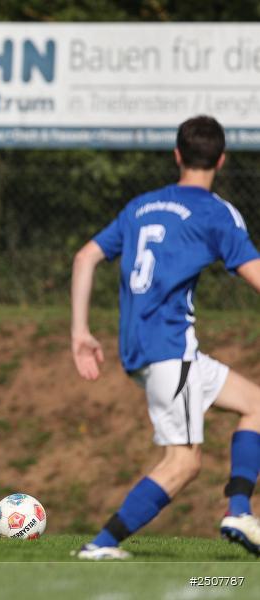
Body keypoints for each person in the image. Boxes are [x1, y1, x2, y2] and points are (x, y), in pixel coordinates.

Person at [71, 115, 260, 560]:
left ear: (177, 156)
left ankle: (239, 510)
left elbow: (85, 257)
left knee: (256, 404)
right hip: (170, 350)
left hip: (147, 349)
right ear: (222, 160)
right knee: (184, 461)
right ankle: (102, 544)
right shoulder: (217, 213)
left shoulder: (141, 206)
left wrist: (80, 331)